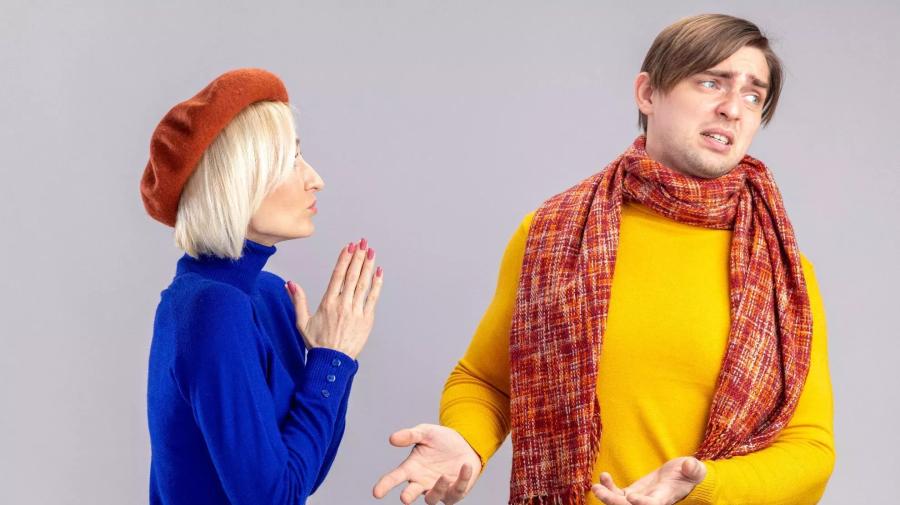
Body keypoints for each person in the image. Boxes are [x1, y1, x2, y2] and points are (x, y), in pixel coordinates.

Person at [373, 14, 834, 505]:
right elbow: (487, 380)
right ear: (648, 93)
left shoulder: (782, 274)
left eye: (753, 96)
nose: (732, 109)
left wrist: (703, 487)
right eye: (710, 82)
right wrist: (467, 440)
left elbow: (810, 449)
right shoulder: (551, 235)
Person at [142, 68, 384, 505]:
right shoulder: (209, 308)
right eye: (291, 161)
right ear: (237, 180)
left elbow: (301, 476)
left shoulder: (269, 295)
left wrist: (331, 359)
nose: (315, 178)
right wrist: (332, 360)